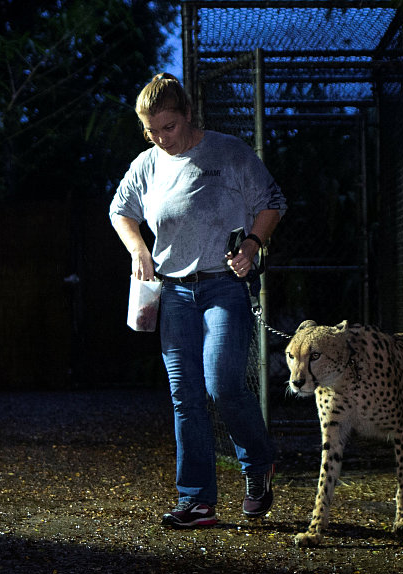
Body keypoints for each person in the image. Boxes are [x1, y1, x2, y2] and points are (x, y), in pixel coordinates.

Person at [109, 73, 287, 528]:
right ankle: (197, 499)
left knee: (221, 382)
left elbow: (272, 202)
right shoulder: (147, 163)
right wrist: (138, 249)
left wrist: (250, 246)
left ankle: (258, 463)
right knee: (183, 394)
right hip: (172, 291)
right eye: (150, 130)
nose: (160, 138)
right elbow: (120, 210)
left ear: (187, 115)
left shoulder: (228, 152)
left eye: (167, 127)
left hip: (223, 284)